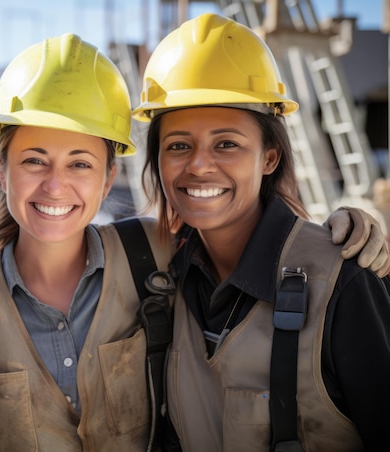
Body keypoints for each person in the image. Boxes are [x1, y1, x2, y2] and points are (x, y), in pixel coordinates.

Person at [0, 32, 388, 452]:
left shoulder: (152, 259)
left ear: (110, 177)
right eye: (34, 161)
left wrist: (346, 231)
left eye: (80, 164)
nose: (55, 186)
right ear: (0, 169)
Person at [133, 13, 390, 450]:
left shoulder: (343, 280)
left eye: (227, 144)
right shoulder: (161, 273)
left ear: (269, 158)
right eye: (178, 145)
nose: (198, 165)